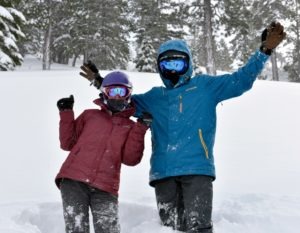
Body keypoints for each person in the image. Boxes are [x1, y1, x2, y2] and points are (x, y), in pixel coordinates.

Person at [80, 22, 286, 232]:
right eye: (166, 66)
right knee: (170, 228)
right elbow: (122, 102)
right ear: (160, 68)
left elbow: (241, 81)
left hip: (197, 169)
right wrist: (101, 82)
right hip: (163, 173)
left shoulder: (205, 87)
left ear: (188, 64)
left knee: (199, 226)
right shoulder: (154, 97)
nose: (172, 71)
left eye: (177, 65)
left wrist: (264, 51)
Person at [55, 71, 152, 233]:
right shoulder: (89, 116)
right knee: (76, 228)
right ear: (104, 93)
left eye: (122, 92)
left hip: (106, 187)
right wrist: (66, 113)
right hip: (74, 180)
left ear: (129, 95)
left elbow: (131, 159)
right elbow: (67, 143)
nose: (117, 97)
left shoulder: (131, 127)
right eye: (113, 91)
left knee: (109, 229)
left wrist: (141, 129)